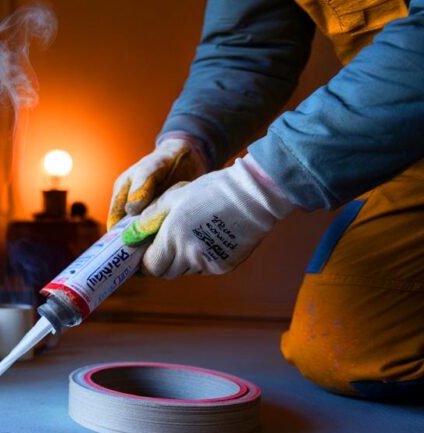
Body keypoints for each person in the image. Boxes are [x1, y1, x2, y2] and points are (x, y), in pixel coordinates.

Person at [107, 0, 423, 398]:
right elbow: (247, 47)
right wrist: (186, 142)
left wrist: (253, 187)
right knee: (354, 355)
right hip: (406, 147)